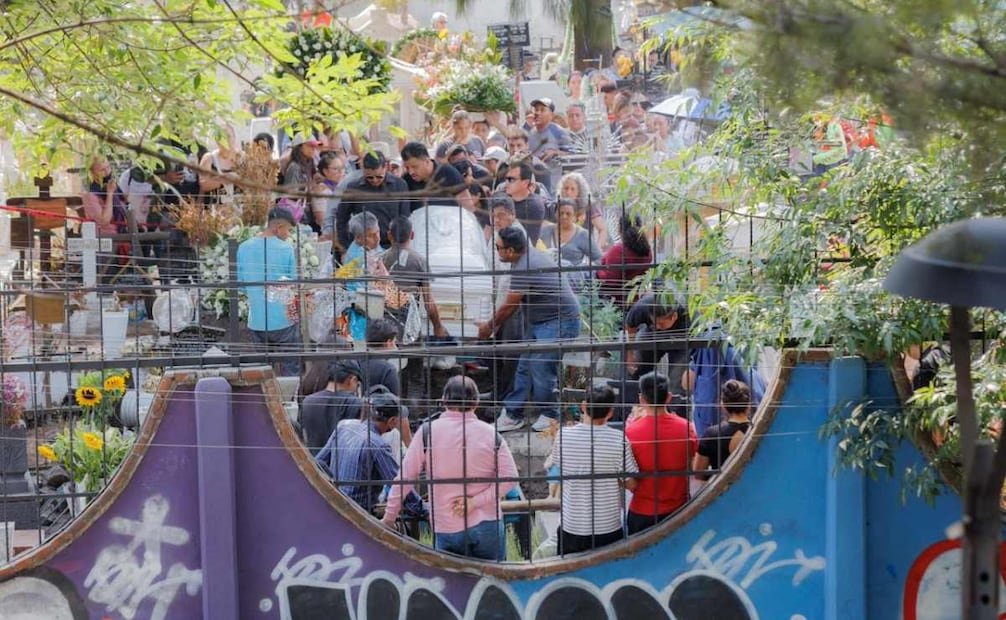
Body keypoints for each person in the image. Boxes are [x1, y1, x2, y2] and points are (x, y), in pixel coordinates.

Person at [381, 376, 519, 561]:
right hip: (487, 524)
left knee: (450, 585)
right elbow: (510, 477)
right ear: (476, 402)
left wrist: (389, 517)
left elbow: (405, 477)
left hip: (447, 525)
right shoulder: (490, 433)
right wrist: (475, 501)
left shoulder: (427, 432)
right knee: (493, 581)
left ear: (444, 401)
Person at [478, 226, 581, 433]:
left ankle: (551, 415)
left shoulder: (525, 266)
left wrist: (488, 327)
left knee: (541, 367)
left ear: (510, 251)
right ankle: (513, 413)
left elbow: (508, 307)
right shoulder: (524, 259)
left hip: (559, 321)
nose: (496, 251)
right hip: (542, 321)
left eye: (498, 248)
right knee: (524, 366)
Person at [550, 386, 638, 554]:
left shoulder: (563, 436)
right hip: (607, 526)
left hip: (571, 523)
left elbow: (561, 469)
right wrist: (614, 478)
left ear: (583, 406)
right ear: (610, 412)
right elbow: (632, 483)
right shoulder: (619, 439)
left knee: (569, 576)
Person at [315, 388, 411, 513]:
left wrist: (332, 488)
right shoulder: (377, 445)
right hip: (360, 514)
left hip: (334, 506)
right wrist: (423, 509)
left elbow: (318, 462)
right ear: (392, 421)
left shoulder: (343, 426)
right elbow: (399, 485)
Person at [625, 371, 697, 535]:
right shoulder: (686, 428)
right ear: (669, 397)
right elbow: (692, 465)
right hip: (679, 509)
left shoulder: (630, 432)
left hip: (642, 512)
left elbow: (629, 479)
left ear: (641, 399)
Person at [236, 206, 301, 376]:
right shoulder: (286, 248)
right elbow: (293, 283)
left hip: (256, 320)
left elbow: (241, 284)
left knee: (263, 372)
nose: (288, 234)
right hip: (283, 320)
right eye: (287, 230)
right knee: (290, 368)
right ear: (278, 227)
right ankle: (290, 400)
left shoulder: (243, 247)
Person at [382, 216, 449, 339]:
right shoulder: (420, 261)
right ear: (412, 235)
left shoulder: (380, 260)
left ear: (389, 235)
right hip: (409, 325)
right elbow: (428, 302)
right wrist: (437, 326)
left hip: (383, 324)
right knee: (416, 354)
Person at [336, 151, 410, 252]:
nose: (374, 180)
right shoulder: (353, 188)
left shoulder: (399, 185)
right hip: (364, 248)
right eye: (369, 177)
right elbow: (341, 218)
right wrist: (346, 245)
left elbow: (404, 218)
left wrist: (401, 245)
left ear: (386, 167)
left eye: (379, 176)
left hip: (391, 246)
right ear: (363, 170)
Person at [624, 291, 689, 388]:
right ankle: (637, 396)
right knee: (636, 368)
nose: (658, 326)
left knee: (677, 380)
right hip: (651, 334)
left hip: (682, 340)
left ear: (674, 316)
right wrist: (630, 355)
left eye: (661, 324)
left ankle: (674, 400)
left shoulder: (687, 313)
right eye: (655, 322)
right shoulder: (642, 306)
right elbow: (630, 326)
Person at [300, 359, 364, 456]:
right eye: (357, 384)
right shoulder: (355, 403)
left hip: (314, 464)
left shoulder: (308, 401)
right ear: (352, 380)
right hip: (344, 465)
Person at [692, 379, 752, 483]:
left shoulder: (711, 434)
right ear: (748, 405)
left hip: (723, 494)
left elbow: (698, 473)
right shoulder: (759, 432)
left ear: (723, 405)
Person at [539, 198, 602, 289]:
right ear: (556, 214)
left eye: (568, 214)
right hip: (547, 284)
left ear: (574, 215)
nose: (564, 216)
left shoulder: (582, 235)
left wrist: (580, 272)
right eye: (561, 213)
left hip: (572, 286)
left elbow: (599, 260)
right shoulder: (545, 231)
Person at [596, 214, 653, 307]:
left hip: (616, 302)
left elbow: (609, 281)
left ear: (620, 229)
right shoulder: (647, 249)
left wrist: (598, 270)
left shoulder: (619, 250)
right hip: (637, 297)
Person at [400, 141, 474, 212]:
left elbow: (467, 205)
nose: (411, 172)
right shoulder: (406, 180)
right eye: (407, 168)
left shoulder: (448, 173)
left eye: (414, 167)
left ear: (427, 161)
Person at [502, 160, 546, 245]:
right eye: (506, 179)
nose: (506, 184)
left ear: (525, 182)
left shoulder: (534, 205)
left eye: (511, 180)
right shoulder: (502, 197)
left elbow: (527, 243)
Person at [560, 171, 607, 249]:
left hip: (584, 250)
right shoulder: (558, 206)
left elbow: (602, 229)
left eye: (572, 189)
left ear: (580, 191)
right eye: (566, 188)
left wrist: (597, 249)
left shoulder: (588, 206)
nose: (568, 192)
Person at [362, 318, 402, 398]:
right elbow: (394, 402)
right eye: (394, 342)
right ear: (388, 343)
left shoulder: (355, 361)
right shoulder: (388, 369)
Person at [316, 151, 347, 244]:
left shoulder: (342, 188)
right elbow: (322, 220)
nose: (341, 172)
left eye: (342, 168)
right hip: (330, 239)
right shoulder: (321, 191)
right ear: (325, 171)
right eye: (335, 169)